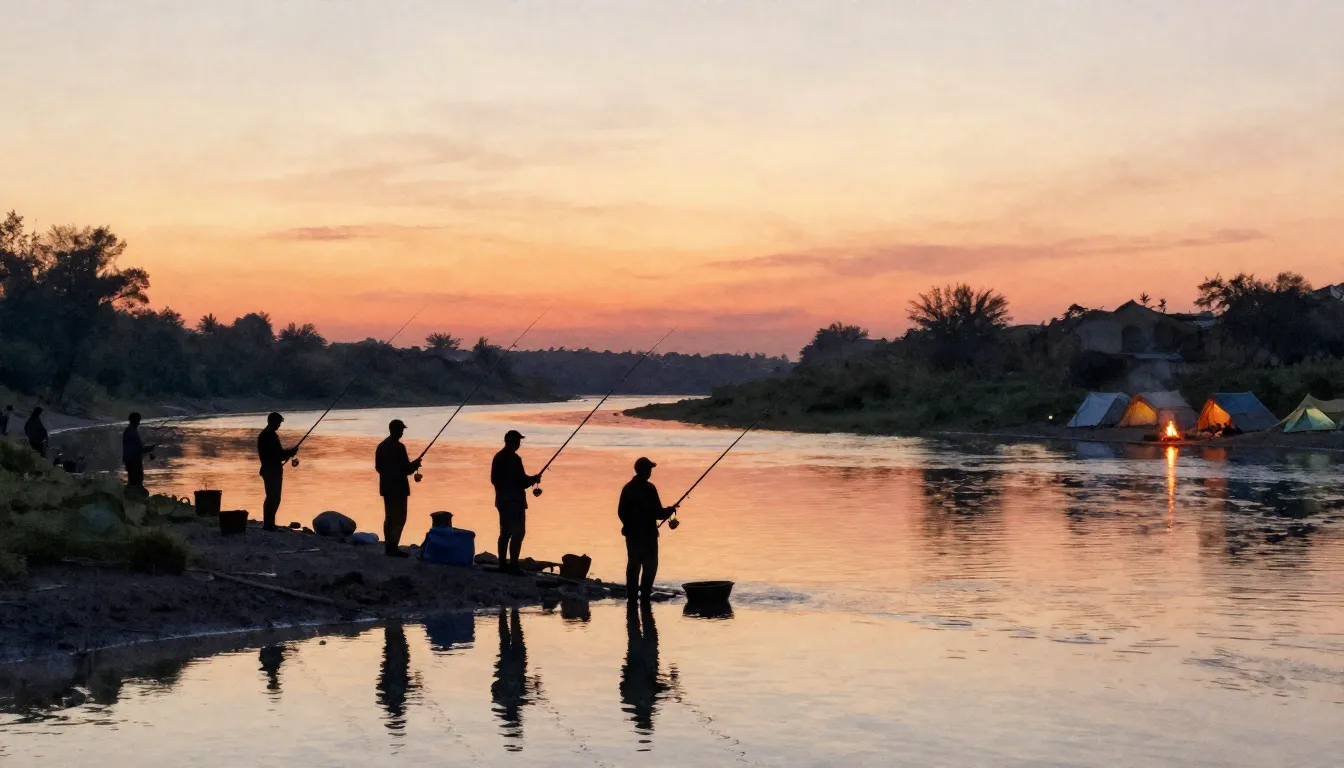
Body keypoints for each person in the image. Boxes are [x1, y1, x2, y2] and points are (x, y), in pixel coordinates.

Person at [618, 457, 678, 602]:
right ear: (645, 471)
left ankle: (632, 596)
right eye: (650, 469)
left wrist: (628, 525)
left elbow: (621, 512)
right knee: (650, 566)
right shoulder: (649, 488)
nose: (651, 472)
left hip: (632, 535)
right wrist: (669, 511)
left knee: (633, 564)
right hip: (648, 536)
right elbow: (657, 513)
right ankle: (644, 595)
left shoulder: (628, 488)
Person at [490, 430, 541, 574]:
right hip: (514, 501)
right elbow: (521, 481)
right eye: (518, 441)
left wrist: (531, 479)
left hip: (502, 501)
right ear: (511, 442)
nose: (519, 444)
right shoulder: (513, 458)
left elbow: (495, 480)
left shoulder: (499, 457)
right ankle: (513, 566)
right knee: (518, 533)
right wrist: (533, 479)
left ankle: (502, 565)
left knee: (505, 532)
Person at [374, 419, 421, 557]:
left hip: (386, 488)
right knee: (399, 518)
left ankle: (389, 547)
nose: (402, 432)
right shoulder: (399, 447)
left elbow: (378, 468)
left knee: (389, 517)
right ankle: (393, 547)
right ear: (394, 430)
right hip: (399, 489)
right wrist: (415, 464)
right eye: (401, 430)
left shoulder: (381, 446)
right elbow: (406, 469)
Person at [256, 412, 299, 531]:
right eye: (278, 423)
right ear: (272, 422)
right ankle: (268, 525)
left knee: (273, 497)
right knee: (273, 498)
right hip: (271, 470)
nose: (279, 425)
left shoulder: (268, 435)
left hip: (271, 469)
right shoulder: (268, 436)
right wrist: (290, 452)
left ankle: (270, 524)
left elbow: (278, 454)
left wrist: (289, 452)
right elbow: (278, 455)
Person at [121, 412, 156, 488]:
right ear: (135, 420)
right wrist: (149, 448)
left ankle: (131, 493)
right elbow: (138, 449)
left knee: (133, 481)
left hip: (130, 460)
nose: (138, 423)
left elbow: (135, 447)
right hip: (133, 462)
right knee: (136, 482)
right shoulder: (132, 432)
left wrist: (148, 448)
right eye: (138, 420)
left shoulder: (129, 430)